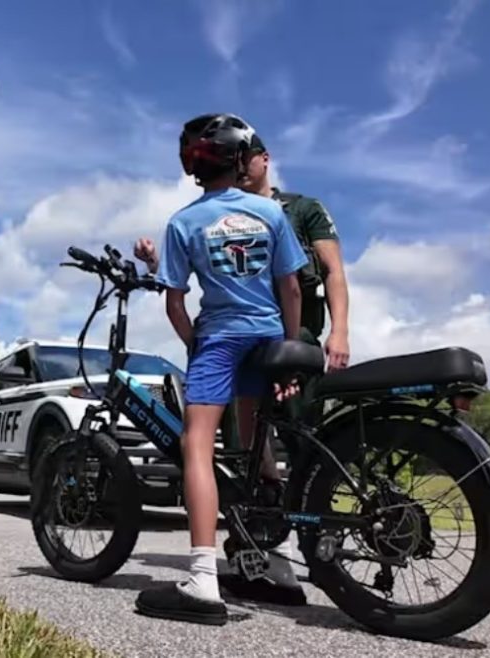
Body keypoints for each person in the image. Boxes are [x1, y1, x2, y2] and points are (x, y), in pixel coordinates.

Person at [134, 114, 351, 606]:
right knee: (258, 445)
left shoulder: (183, 221)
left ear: (193, 167)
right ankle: (270, 549)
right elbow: (291, 286)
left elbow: (174, 302)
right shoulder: (270, 213)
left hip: (220, 338)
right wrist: (290, 347)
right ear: (239, 161)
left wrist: (196, 344)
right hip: (270, 339)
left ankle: (202, 579)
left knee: (196, 447)